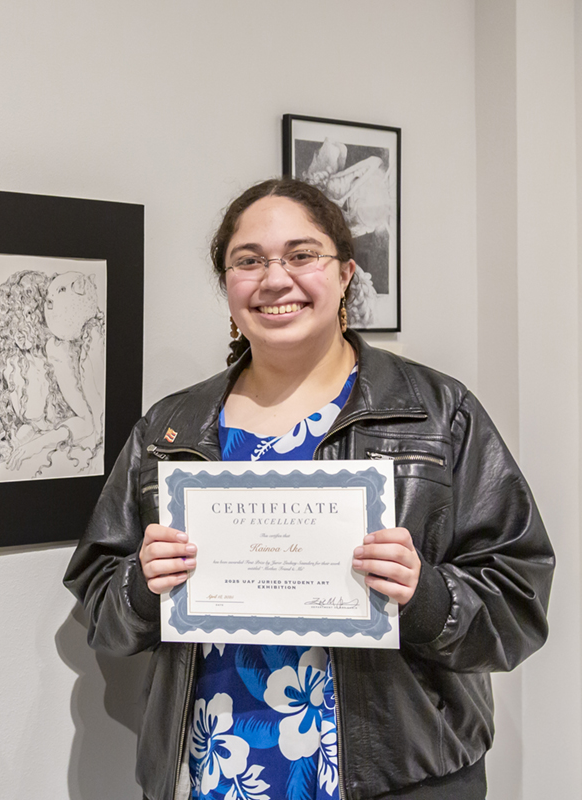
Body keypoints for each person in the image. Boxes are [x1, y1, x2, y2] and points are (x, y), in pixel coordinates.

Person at [63, 178, 554, 800]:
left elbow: (518, 599)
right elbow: (102, 604)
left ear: (346, 273)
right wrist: (141, 583)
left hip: (396, 778)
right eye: (249, 261)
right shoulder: (171, 429)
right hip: (219, 769)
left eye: (302, 255)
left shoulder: (436, 414)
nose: (275, 279)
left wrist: (424, 594)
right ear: (227, 286)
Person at [0, 269, 105, 482]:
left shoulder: (57, 352)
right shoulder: (12, 361)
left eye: (28, 316)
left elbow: (87, 423)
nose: (20, 330)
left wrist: (38, 443)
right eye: (13, 319)